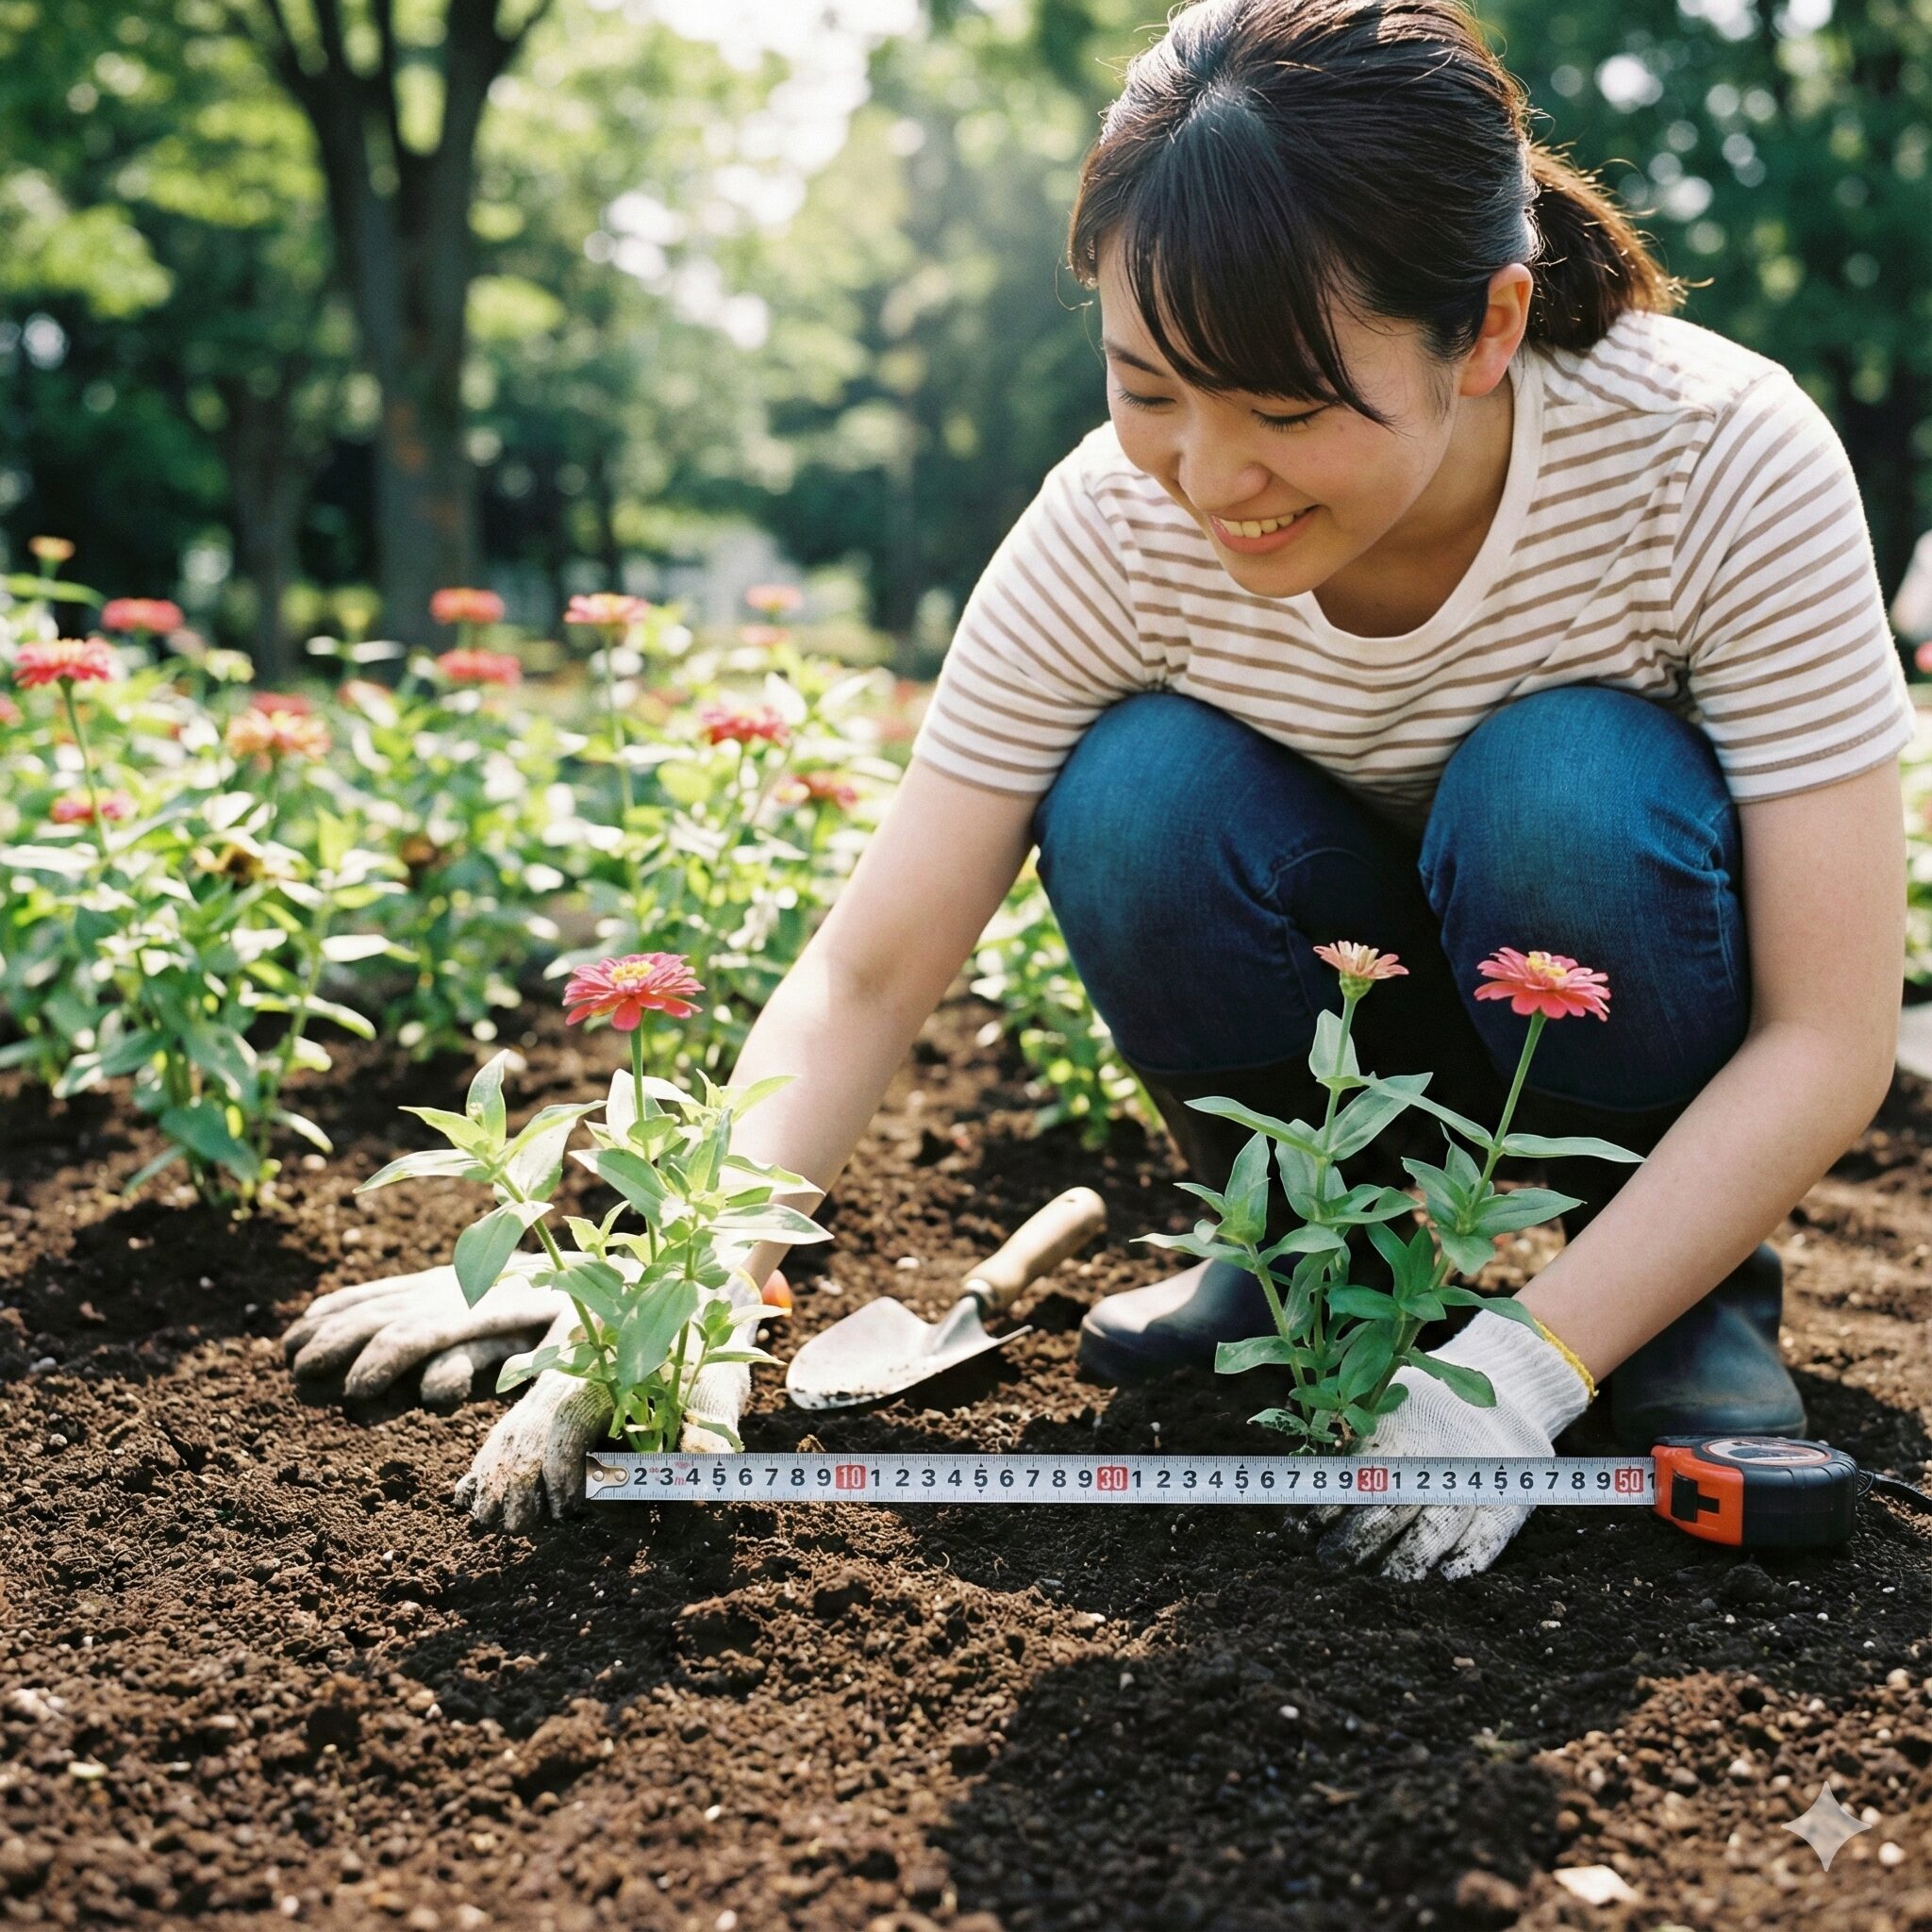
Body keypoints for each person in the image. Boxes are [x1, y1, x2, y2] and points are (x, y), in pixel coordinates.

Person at [289, 0, 1911, 1572]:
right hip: (1347, 1007)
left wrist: (1528, 1371)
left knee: (1565, 785)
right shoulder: (1111, 534)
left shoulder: (1715, 460)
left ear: (1487, 327)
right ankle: (1301, 1262)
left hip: (1614, 990)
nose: (1212, 480)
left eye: (1283, 408)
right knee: (1133, 793)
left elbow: (1832, 1037)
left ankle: (1671, 1299)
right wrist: (678, 1278)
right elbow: (872, 962)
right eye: (1148, 389)